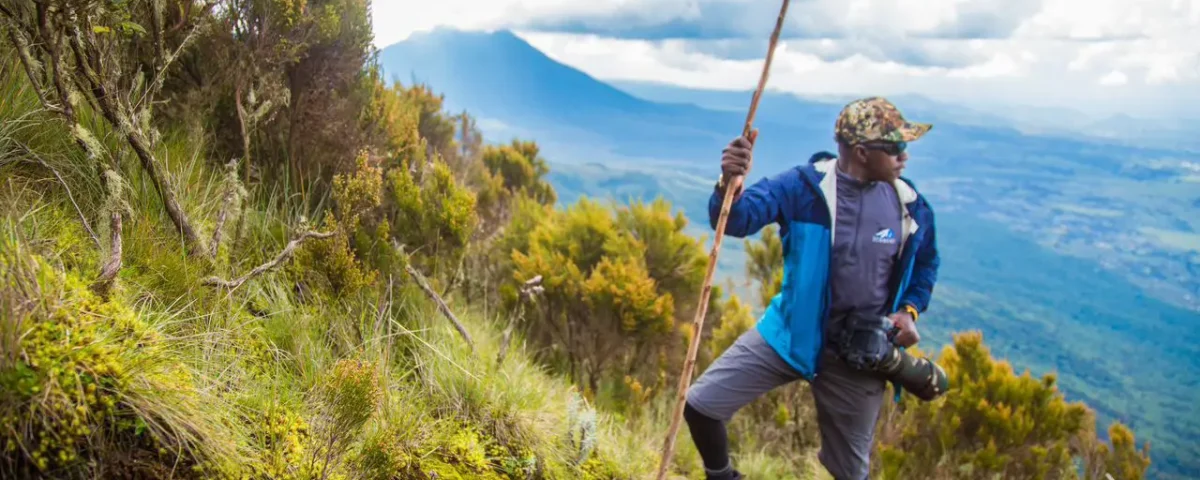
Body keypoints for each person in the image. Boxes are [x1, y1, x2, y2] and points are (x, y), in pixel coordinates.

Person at [683, 97, 948, 480]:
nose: (904, 157)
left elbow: (926, 263)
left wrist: (908, 310)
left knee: (850, 473)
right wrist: (729, 182)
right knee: (701, 406)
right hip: (789, 335)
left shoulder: (909, 205)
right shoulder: (802, 188)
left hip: (858, 355)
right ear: (861, 152)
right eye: (895, 147)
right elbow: (735, 220)